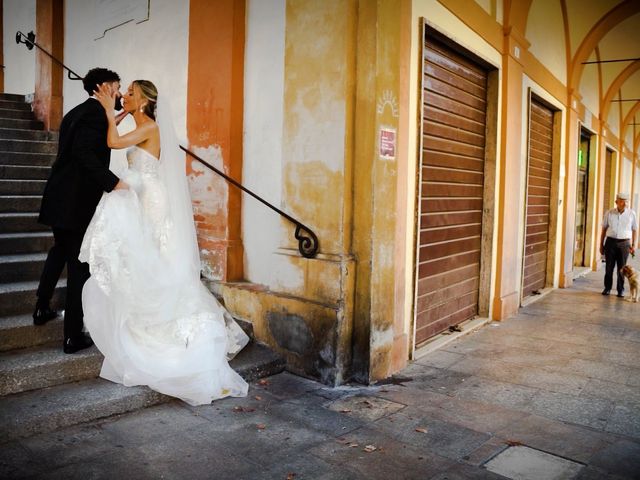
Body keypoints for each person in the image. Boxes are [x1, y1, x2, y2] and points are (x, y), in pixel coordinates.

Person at [79, 80, 248, 405]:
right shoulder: (142, 123)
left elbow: (112, 141)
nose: (123, 96)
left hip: (152, 199)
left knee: (152, 253)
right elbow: (116, 138)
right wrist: (123, 113)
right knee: (145, 256)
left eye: (129, 93)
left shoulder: (150, 127)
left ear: (142, 99)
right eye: (123, 92)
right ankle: (149, 310)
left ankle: (165, 323)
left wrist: (105, 109)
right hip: (142, 194)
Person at [34, 68, 129, 354]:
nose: (120, 92)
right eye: (117, 86)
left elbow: (92, 140)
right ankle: (72, 336)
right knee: (79, 265)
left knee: (59, 251)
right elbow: (84, 154)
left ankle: (41, 307)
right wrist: (115, 183)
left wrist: (115, 113)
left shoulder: (77, 112)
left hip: (60, 197)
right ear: (103, 88)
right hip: (75, 202)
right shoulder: (94, 116)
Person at [599, 192, 638, 297]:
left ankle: (620, 290)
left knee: (622, 268)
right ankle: (607, 288)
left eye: (626, 201)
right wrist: (601, 244)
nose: (625, 203)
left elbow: (635, 230)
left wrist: (634, 245)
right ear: (616, 202)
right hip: (610, 242)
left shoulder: (631, 214)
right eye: (622, 201)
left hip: (624, 243)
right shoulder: (609, 213)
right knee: (609, 267)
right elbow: (604, 229)